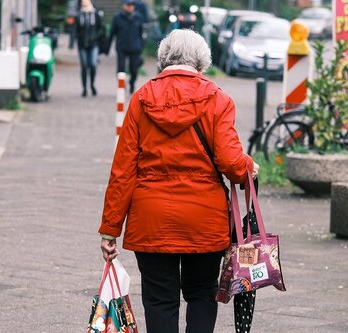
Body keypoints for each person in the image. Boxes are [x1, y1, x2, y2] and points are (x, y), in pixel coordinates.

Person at [98, 29, 259, 333]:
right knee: (201, 293)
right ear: (202, 62)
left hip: (152, 218)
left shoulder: (141, 99)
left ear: (163, 59)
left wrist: (110, 229)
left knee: (159, 300)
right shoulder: (218, 99)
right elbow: (231, 163)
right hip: (204, 219)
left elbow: (122, 171)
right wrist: (250, 166)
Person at [69, 0, 105, 97]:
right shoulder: (78, 15)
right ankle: (84, 88)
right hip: (82, 45)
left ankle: (92, 84)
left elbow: (101, 28)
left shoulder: (96, 14)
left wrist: (97, 37)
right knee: (84, 66)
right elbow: (74, 30)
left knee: (93, 64)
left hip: (94, 44)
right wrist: (72, 43)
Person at [107, 0, 145, 94]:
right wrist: (106, 48)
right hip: (122, 47)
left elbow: (141, 34)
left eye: (132, 5)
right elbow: (112, 34)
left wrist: (141, 46)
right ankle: (122, 87)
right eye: (128, 5)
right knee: (121, 68)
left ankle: (132, 83)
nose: (130, 7)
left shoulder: (138, 17)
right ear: (124, 6)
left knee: (134, 69)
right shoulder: (117, 17)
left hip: (135, 48)